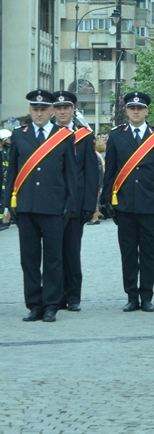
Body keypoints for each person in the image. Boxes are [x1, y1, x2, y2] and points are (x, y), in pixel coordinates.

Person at [3, 90, 78, 322]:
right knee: (30, 259)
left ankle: (51, 305)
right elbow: (12, 171)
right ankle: (34, 304)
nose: (39, 113)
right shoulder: (19, 135)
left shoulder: (63, 136)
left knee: (53, 259)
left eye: (43, 109)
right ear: (29, 111)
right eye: (35, 109)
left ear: (51, 111)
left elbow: (70, 173)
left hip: (54, 206)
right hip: (25, 206)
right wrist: (8, 204)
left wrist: (70, 203)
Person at [102, 92, 154, 313]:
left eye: (140, 109)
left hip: (150, 203)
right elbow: (110, 170)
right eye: (132, 108)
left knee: (148, 252)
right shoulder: (116, 135)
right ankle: (132, 296)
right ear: (127, 111)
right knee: (128, 252)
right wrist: (107, 200)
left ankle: (147, 296)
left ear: (146, 111)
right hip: (124, 203)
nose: (136, 112)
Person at [51, 91, 100, 312]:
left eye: (66, 108)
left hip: (76, 204)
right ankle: (54, 296)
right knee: (52, 252)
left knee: (71, 251)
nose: (62, 112)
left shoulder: (84, 136)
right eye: (58, 108)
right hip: (50, 202)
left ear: (73, 110)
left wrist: (89, 205)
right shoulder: (46, 135)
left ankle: (72, 296)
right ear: (53, 110)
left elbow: (91, 174)